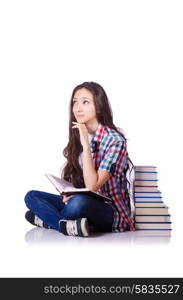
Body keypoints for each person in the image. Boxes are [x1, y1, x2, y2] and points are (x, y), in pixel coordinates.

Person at [24, 81, 135, 237]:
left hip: (112, 212)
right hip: (86, 202)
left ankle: (50, 221)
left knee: (78, 203)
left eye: (85, 102)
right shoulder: (78, 135)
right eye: (75, 102)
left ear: (99, 105)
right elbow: (81, 185)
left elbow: (92, 184)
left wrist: (86, 145)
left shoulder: (115, 140)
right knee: (32, 196)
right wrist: (68, 193)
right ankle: (67, 225)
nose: (77, 107)